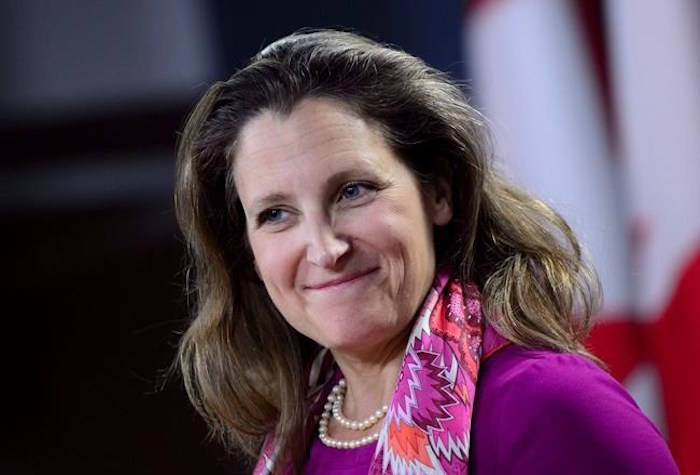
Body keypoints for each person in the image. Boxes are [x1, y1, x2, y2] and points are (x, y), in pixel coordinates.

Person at [173, 29, 678, 474]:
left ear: (438, 191)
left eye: (353, 191)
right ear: (249, 252)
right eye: (275, 215)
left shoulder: (550, 407)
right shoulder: (298, 433)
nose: (326, 249)